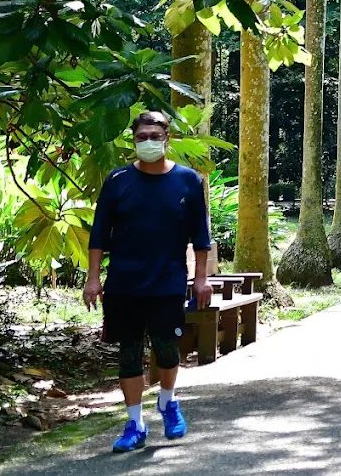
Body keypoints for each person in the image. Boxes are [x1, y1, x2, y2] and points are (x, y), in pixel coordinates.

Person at [84, 110, 212, 453]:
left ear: (167, 139)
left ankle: (168, 403)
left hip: (168, 282)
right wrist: (93, 278)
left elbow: (201, 237)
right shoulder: (117, 180)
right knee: (128, 354)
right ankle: (134, 423)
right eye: (142, 137)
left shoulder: (188, 181)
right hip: (124, 284)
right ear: (133, 140)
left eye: (155, 137)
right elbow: (99, 235)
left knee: (167, 349)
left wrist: (201, 280)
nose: (149, 143)